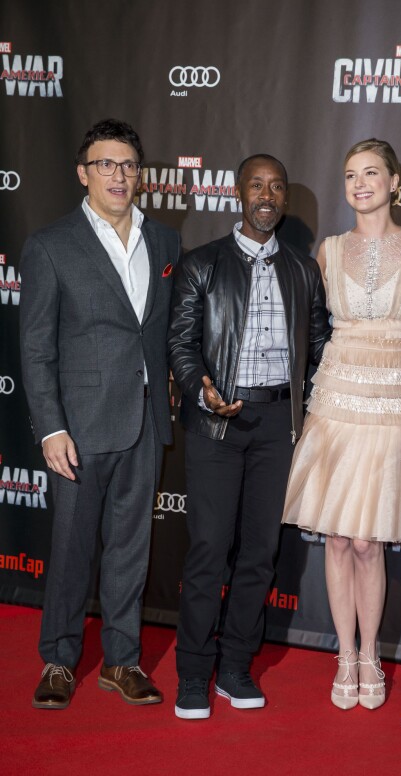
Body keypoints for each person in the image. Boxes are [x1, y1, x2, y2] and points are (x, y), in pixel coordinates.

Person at [20, 119, 180, 709]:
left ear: (141, 174)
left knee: (129, 549)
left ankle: (122, 660)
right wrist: (51, 428)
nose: (119, 175)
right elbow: (36, 347)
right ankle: (59, 661)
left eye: (129, 165)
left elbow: (158, 332)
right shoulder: (50, 245)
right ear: (83, 173)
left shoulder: (162, 241)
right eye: (106, 164)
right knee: (71, 548)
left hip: (144, 419)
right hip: (80, 428)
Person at [167, 153, 331, 720]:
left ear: (284, 199)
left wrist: (306, 406)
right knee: (210, 548)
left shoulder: (304, 269)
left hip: (275, 426)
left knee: (259, 553)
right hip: (217, 422)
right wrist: (202, 388)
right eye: (257, 185)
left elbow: (319, 346)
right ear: (239, 193)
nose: (267, 195)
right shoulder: (202, 264)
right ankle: (193, 671)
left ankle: (235, 665)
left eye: (277, 186)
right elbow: (181, 344)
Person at [283, 139, 401, 710]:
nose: (360, 184)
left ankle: (370, 653)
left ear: (395, 182)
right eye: (351, 174)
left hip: (395, 404)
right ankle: (343, 655)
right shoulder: (325, 251)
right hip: (337, 400)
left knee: (368, 540)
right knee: (337, 537)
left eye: (372, 173)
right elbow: (306, 331)